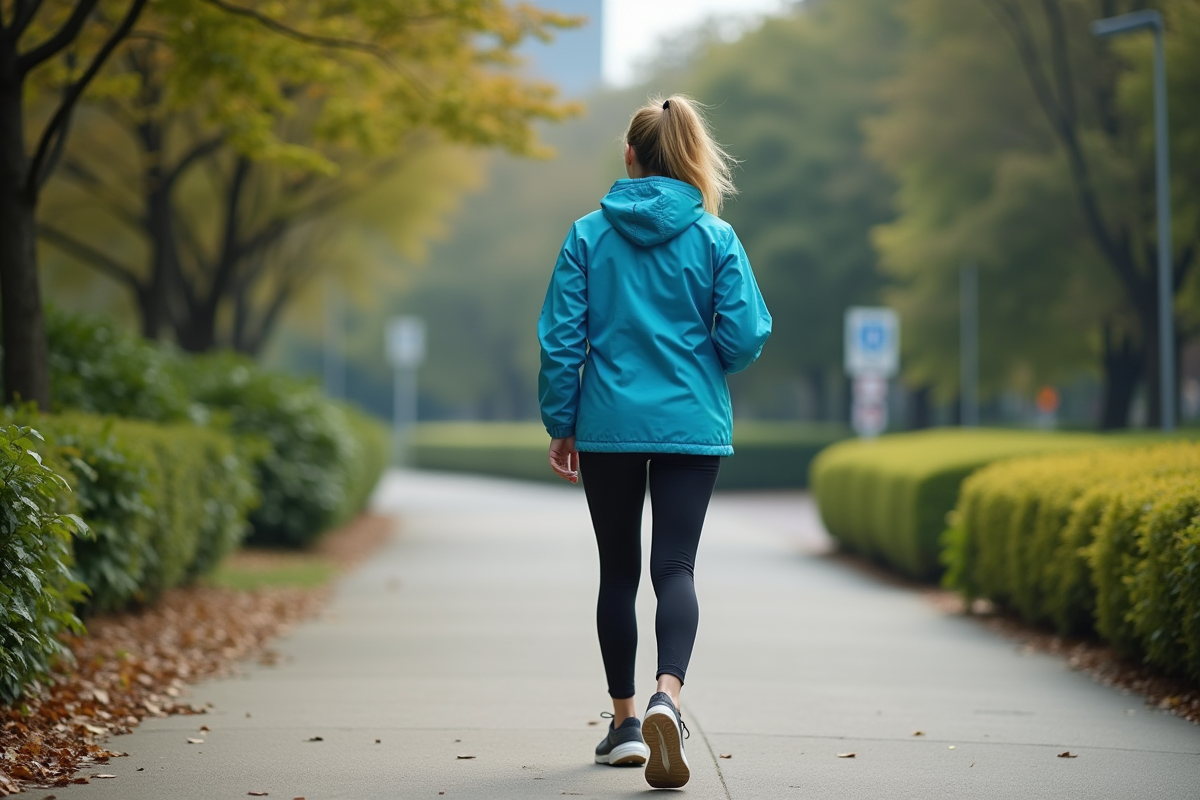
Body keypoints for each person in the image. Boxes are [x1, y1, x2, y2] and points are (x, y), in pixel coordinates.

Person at [537, 94, 772, 789]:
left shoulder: (587, 236)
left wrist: (562, 421)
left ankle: (626, 723)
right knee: (675, 570)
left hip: (608, 424)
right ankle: (670, 693)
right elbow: (744, 336)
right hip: (690, 425)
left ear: (631, 156)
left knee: (618, 572)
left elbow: (560, 341)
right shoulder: (715, 239)